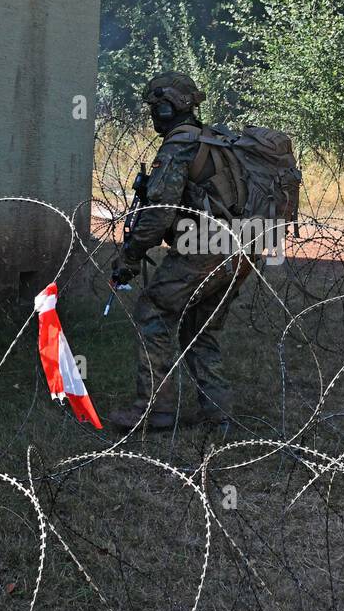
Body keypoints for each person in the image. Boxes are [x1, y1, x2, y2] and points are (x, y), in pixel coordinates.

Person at [107, 73, 255, 431]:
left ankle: (154, 408)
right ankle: (218, 410)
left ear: (168, 106)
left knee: (154, 310)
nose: (154, 115)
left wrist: (129, 255)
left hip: (205, 245)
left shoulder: (179, 146)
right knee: (198, 325)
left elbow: (159, 214)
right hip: (245, 244)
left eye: (156, 107)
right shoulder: (216, 139)